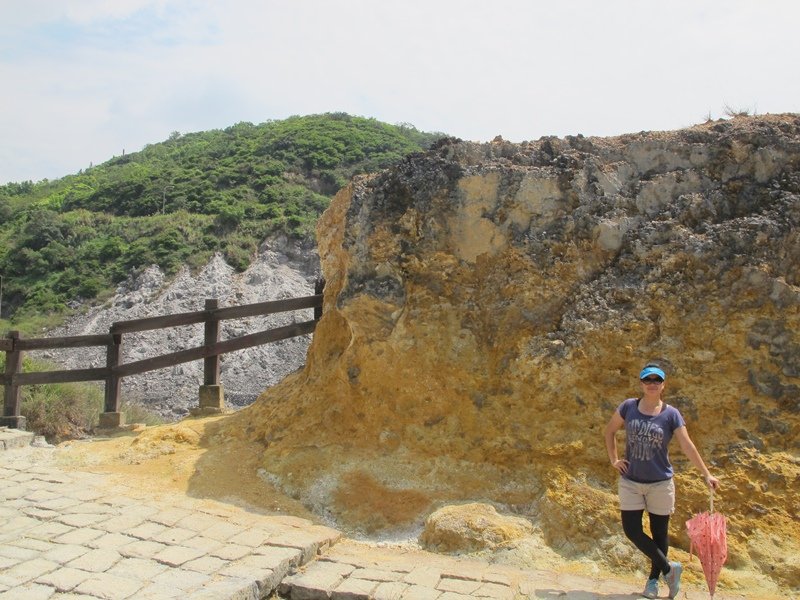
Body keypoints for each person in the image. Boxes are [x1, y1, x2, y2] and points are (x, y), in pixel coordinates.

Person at [604, 363, 720, 599]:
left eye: (657, 380)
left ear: (663, 385)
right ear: (641, 383)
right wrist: (614, 460)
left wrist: (706, 473)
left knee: (659, 534)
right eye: (648, 380)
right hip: (631, 481)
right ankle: (670, 568)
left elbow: (687, 445)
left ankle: (653, 582)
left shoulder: (671, 414)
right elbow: (609, 431)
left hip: (660, 482)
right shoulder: (629, 407)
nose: (652, 384)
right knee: (632, 530)